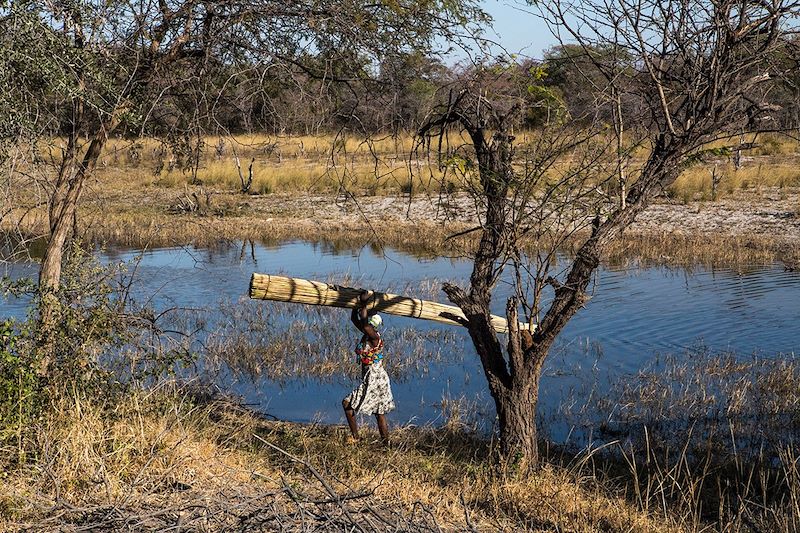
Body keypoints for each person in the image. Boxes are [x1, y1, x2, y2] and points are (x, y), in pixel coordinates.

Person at [342, 290, 395, 443]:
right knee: (379, 413)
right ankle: (386, 444)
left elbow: (364, 325)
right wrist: (356, 304)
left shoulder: (374, 337)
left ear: (373, 325)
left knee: (348, 403)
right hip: (373, 377)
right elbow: (355, 319)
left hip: (375, 378)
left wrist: (363, 303)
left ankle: (356, 438)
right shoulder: (368, 335)